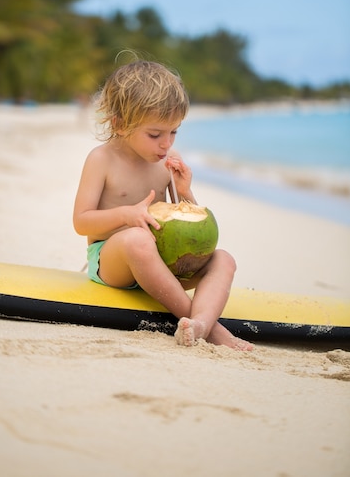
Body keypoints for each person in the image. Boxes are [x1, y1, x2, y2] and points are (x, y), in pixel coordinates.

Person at [73, 58, 253, 351]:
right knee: (138, 240)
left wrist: (185, 193)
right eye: (155, 134)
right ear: (120, 124)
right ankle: (214, 330)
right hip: (114, 263)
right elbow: (81, 221)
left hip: (165, 265)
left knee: (224, 260)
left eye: (174, 132)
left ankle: (200, 324)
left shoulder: (167, 162)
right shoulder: (102, 159)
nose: (166, 144)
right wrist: (127, 215)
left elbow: (185, 222)